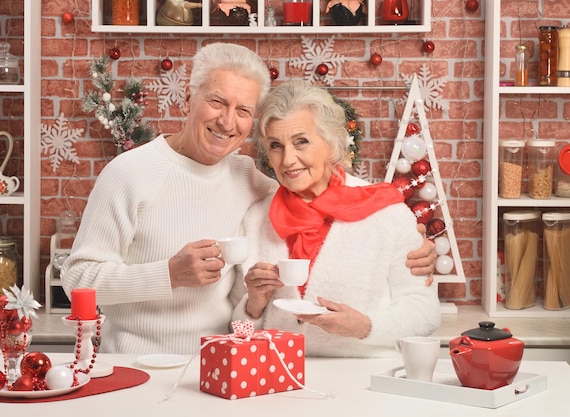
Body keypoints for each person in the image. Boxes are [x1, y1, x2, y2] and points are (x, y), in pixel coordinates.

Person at [61, 42, 436, 355]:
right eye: (217, 102)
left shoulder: (252, 183)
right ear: (188, 98)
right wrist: (168, 275)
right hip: (137, 362)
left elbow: (317, 197)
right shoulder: (129, 173)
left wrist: (417, 240)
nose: (228, 122)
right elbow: (76, 277)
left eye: (243, 111)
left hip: (224, 362)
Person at [232, 80, 441, 357]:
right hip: (276, 378)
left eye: (301, 142)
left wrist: (365, 327)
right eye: (276, 145)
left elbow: (425, 313)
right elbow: (237, 329)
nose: (288, 159)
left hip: (362, 379)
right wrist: (254, 305)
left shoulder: (387, 213)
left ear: (331, 144)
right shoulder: (256, 218)